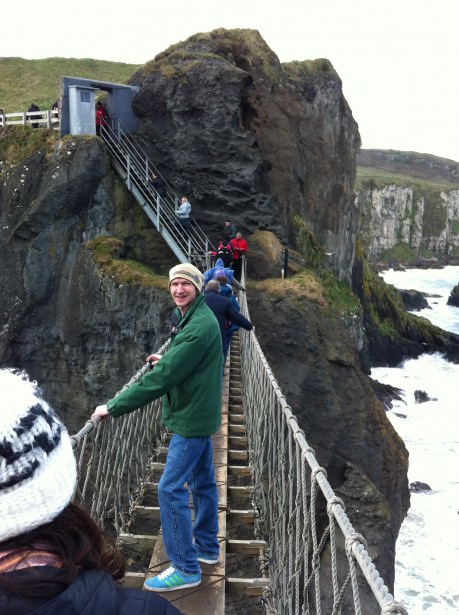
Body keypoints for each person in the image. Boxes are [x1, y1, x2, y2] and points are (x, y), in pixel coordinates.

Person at [0, 368, 182, 614]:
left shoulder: (193, 332)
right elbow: (171, 371)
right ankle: (188, 566)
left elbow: (170, 370)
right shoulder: (151, 609)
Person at [92, 263, 223, 593]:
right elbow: (182, 363)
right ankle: (207, 548)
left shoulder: (197, 326)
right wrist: (166, 360)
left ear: (197, 287)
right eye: (174, 285)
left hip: (191, 420)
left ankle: (185, 567)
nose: (179, 290)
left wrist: (114, 406)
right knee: (203, 481)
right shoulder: (196, 317)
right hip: (201, 412)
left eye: (185, 285)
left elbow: (163, 380)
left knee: (169, 488)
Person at [203, 279, 254, 365]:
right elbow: (236, 317)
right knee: (219, 363)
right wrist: (249, 326)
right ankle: (219, 376)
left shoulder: (198, 300)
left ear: (206, 288)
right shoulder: (225, 301)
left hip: (201, 339)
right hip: (219, 339)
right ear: (219, 290)